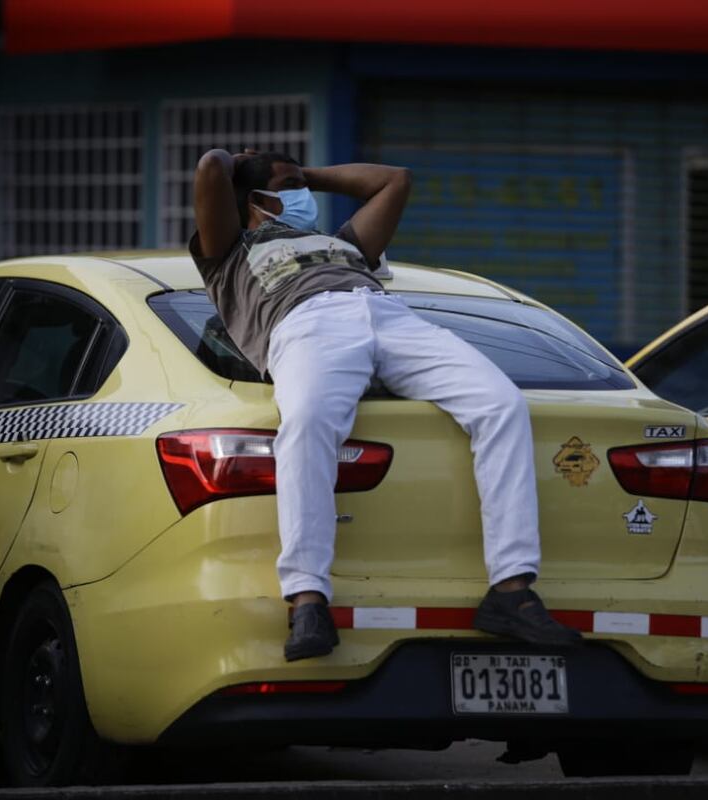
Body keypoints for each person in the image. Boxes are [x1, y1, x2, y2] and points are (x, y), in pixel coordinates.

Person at [190, 148, 581, 661]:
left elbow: (395, 180)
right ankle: (307, 598)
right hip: (305, 324)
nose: (302, 193)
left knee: (501, 404)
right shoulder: (227, 250)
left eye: (301, 184)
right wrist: (239, 161)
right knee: (307, 423)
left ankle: (510, 590)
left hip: (387, 314)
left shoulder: (342, 244)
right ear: (255, 200)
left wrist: (304, 174)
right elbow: (210, 170)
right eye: (289, 186)